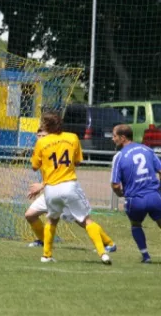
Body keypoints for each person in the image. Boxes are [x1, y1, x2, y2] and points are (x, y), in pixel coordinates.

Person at [29, 112, 112, 264]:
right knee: (87, 220)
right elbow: (78, 161)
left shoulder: (42, 142)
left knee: (52, 220)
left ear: (47, 126)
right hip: (69, 185)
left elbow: (35, 166)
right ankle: (103, 253)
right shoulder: (72, 137)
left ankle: (46, 256)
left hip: (50, 188)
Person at [110, 124, 161, 263]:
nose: (112, 139)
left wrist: (120, 193)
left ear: (123, 137)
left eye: (114, 136)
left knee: (135, 224)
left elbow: (115, 184)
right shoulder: (148, 150)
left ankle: (146, 256)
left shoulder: (119, 156)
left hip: (135, 200)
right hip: (154, 196)